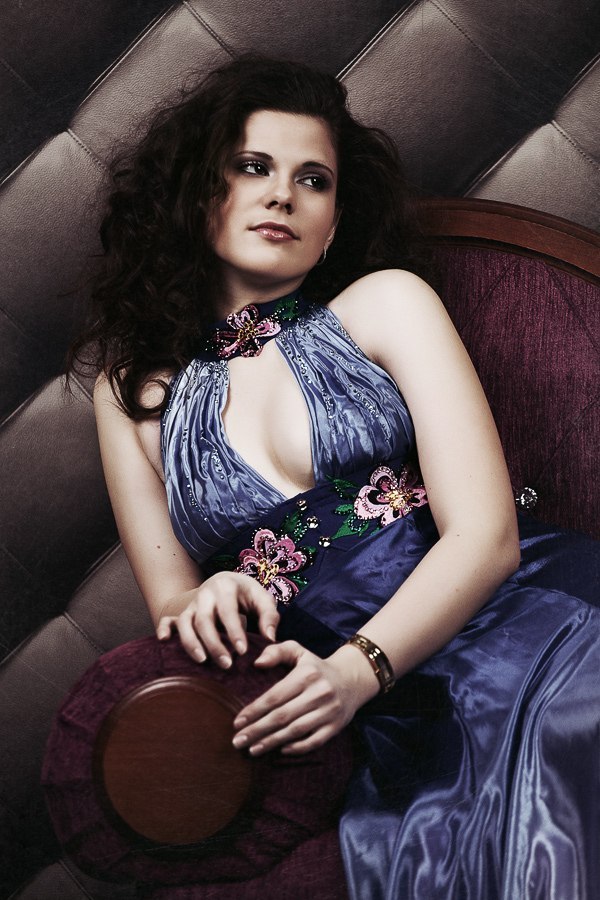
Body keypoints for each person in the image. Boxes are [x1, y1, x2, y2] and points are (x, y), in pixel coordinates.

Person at [73, 54, 600, 898]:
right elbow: (174, 610)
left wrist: (355, 673)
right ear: (199, 193)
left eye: (312, 179)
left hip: (530, 621)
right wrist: (206, 597)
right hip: (379, 707)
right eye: (252, 166)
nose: (283, 194)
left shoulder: (387, 302)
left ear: (332, 223)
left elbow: (487, 537)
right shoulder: (131, 395)